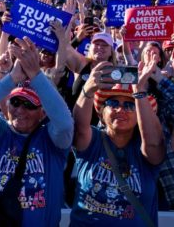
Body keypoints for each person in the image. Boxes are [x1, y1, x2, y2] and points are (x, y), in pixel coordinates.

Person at [0, 37, 74, 227]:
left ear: (43, 112)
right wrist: (12, 78)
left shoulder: (52, 137)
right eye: (15, 102)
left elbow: (65, 124)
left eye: (29, 105)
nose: (20, 111)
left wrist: (35, 74)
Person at [70, 60, 164, 226]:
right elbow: (79, 128)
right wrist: (88, 89)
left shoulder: (144, 149)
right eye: (113, 103)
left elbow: (154, 144)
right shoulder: (93, 141)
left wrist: (139, 93)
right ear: (101, 113)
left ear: (140, 115)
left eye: (129, 105)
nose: (120, 110)